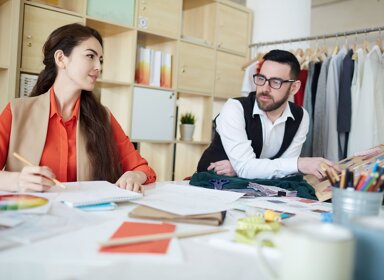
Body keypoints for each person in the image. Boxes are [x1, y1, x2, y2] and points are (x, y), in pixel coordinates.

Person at [0, 23, 156, 193]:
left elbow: (142, 168)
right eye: (90, 56)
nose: (99, 67)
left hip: (87, 217)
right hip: (30, 216)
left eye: (101, 60)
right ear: (61, 59)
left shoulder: (103, 117)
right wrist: (17, 180)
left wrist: (134, 176)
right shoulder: (16, 112)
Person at [197, 49, 338, 180]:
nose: (264, 88)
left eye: (275, 82)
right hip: (211, 187)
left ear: (294, 88)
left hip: (256, 195)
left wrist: (242, 168)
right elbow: (247, 168)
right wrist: (299, 164)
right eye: (261, 78)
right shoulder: (235, 108)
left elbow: (284, 173)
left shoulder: (301, 117)